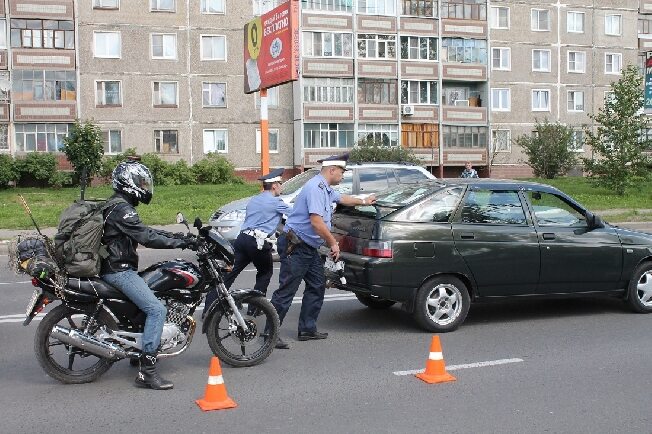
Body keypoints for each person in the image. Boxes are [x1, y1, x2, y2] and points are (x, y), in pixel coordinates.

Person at [100, 160, 195, 391]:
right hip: (118, 271)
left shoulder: (117, 205)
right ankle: (147, 372)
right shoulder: (122, 209)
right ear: (128, 182)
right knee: (157, 309)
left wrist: (181, 238)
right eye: (141, 182)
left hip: (116, 267)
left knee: (152, 298)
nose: (144, 186)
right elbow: (147, 237)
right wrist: (181, 242)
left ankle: (137, 351)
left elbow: (147, 231)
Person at [269, 153, 377, 349]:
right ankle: (270, 333)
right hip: (296, 245)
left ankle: (307, 329)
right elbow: (316, 222)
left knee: (317, 285)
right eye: (342, 171)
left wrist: (364, 201)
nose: (343, 175)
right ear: (332, 170)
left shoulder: (326, 188)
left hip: (307, 246)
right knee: (286, 291)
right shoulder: (315, 188)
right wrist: (333, 243)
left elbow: (343, 198)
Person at [202, 168, 291, 317]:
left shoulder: (255, 199)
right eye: (280, 184)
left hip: (242, 239)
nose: (281, 187)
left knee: (230, 273)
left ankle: (209, 308)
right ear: (274, 185)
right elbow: (294, 214)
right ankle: (255, 308)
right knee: (265, 273)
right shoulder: (276, 202)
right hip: (258, 243)